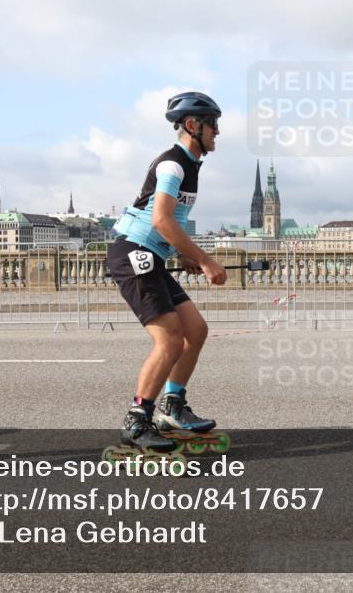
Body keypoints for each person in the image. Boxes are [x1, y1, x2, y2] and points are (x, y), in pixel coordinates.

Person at [108, 91, 228, 453]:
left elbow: (167, 223)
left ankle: (173, 407)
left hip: (151, 255)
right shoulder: (172, 165)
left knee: (196, 330)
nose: (217, 133)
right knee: (170, 340)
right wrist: (206, 260)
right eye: (213, 125)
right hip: (133, 253)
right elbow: (160, 219)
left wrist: (182, 254)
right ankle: (137, 418)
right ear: (193, 125)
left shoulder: (191, 165)